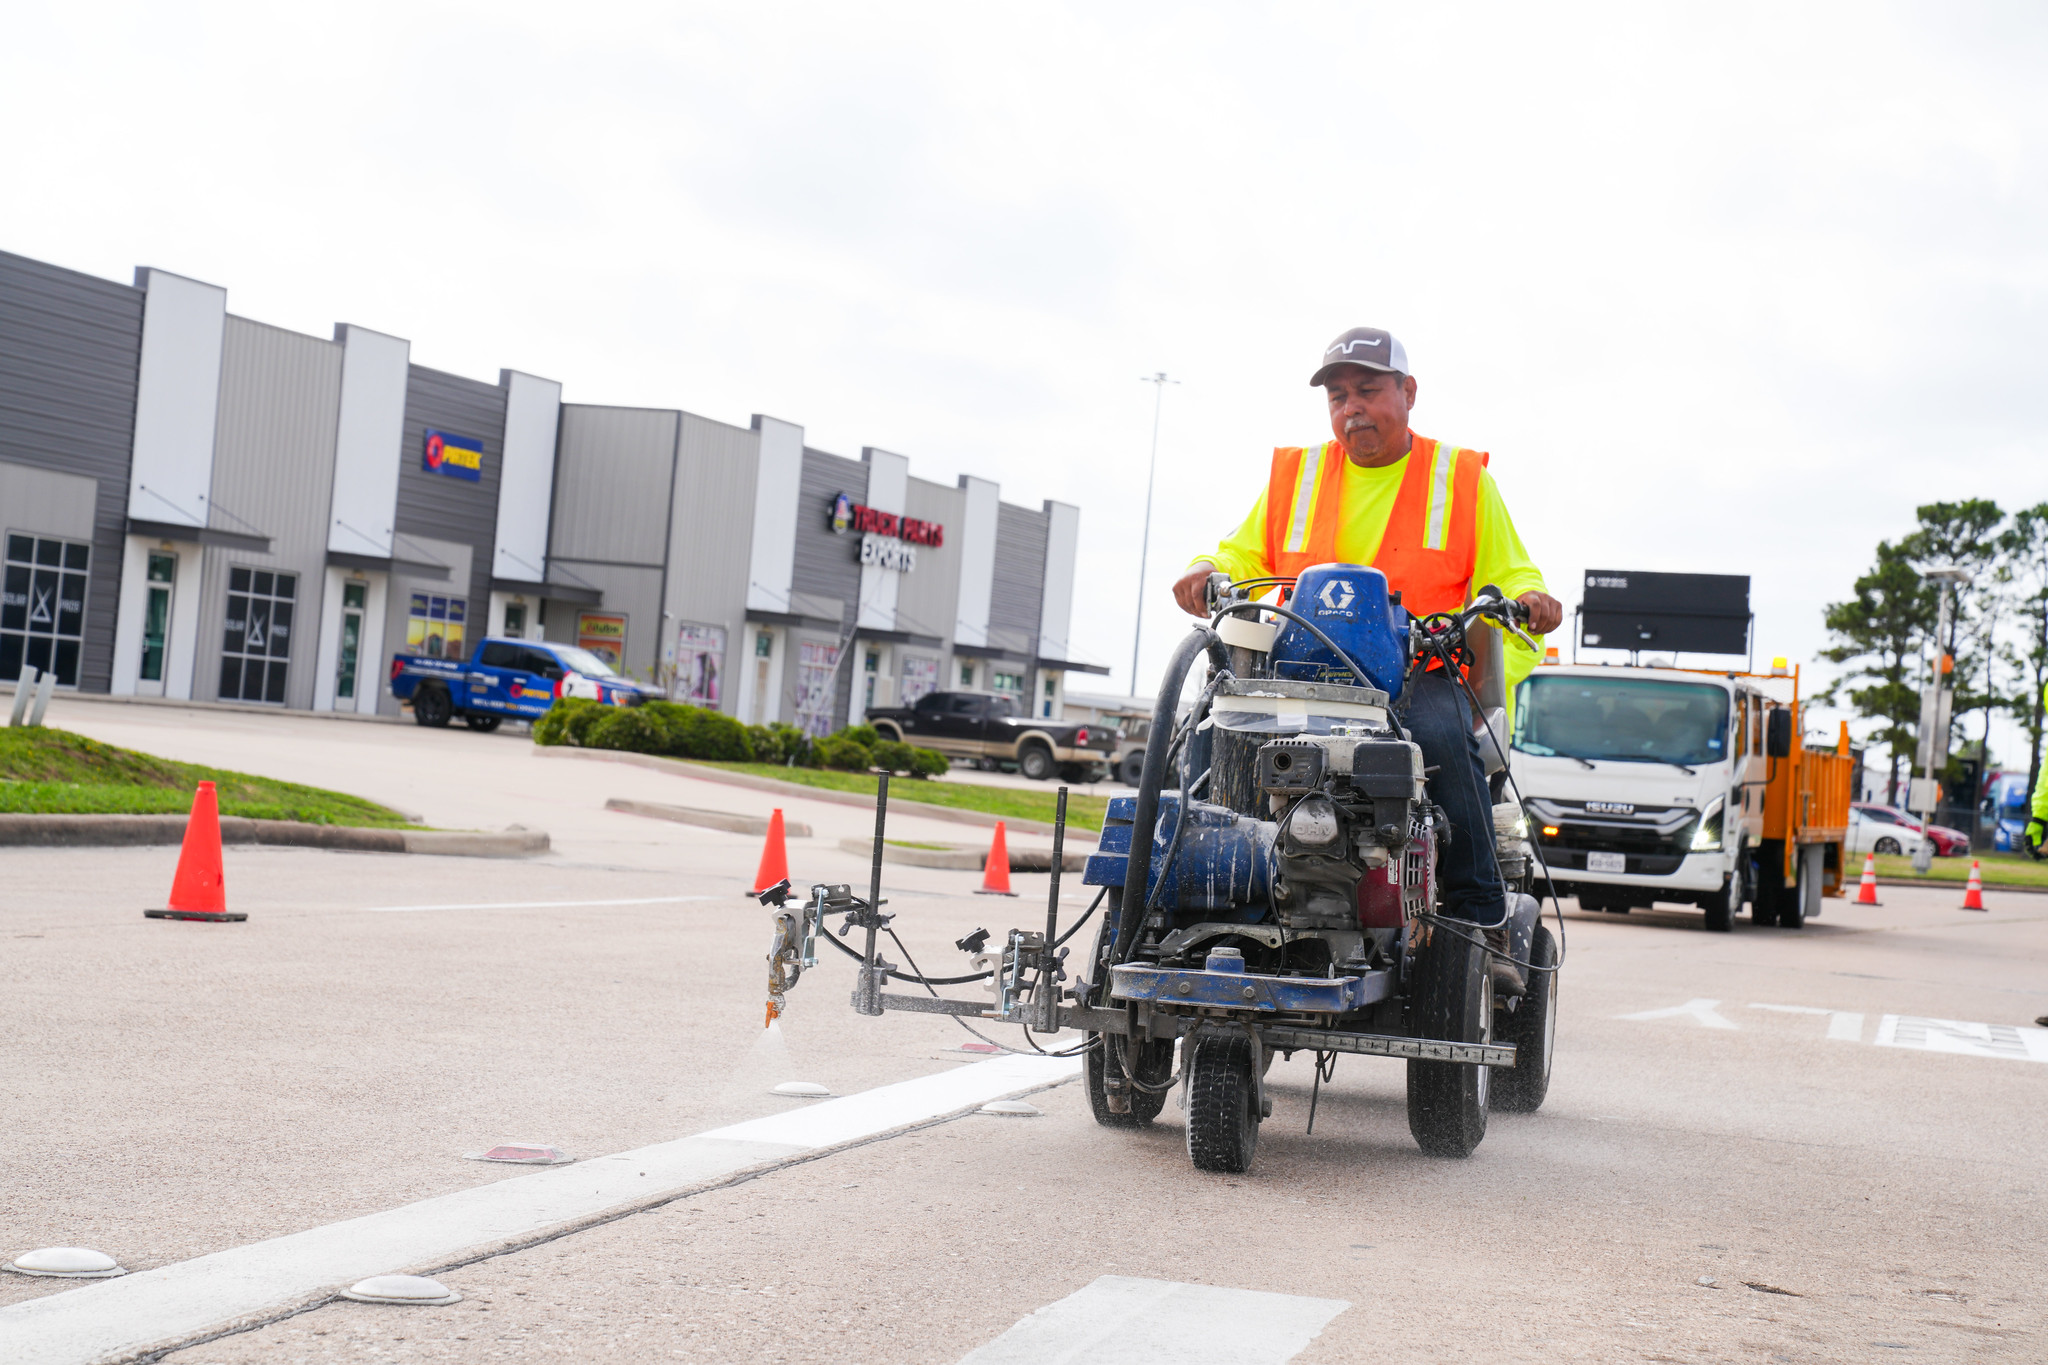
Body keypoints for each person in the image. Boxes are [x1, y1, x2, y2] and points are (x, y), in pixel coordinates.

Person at [1172, 326, 1562, 983]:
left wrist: (1531, 598)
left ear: (1408, 393)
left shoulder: (1461, 478)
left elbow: (1513, 574)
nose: (1351, 407)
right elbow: (1243, 554)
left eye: (1368, 391)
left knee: (1441, 736)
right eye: (1338, 396)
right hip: (1302, 674)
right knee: (1214, 735)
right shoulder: (1297, 476)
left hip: (1419, 671)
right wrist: (1207, 566)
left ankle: (1477, 920)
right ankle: (1192, 891)